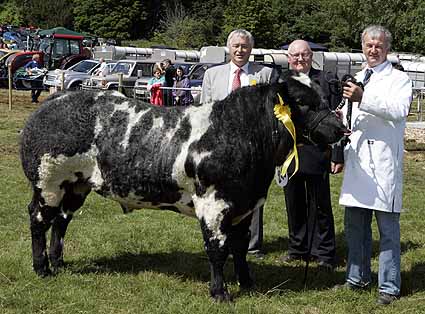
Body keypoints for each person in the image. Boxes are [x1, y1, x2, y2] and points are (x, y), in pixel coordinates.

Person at [336, 25, 412, 305]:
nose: (373, 49)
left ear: (387, 48)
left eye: (379, 45)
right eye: (369, 45)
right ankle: (357, 278)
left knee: (388, 232)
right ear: (363, 47)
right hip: (358, 166)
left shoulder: (399, 79)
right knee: (355, 227)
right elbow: (348, 116)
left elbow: (398, 110)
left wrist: (362, 98)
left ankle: (389, 287)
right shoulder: (356, 77)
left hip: (382, 166)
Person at [200, 29, 277, 258]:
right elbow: (204, 110)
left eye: (244, 46)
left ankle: (251, 246)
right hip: (219, 147)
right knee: (218, 197)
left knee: (252, 195)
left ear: (251, 49)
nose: (240, 50)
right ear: (228, 48)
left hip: (253, 149)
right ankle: (219, 241)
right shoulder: (212, 75)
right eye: (236, 46)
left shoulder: (265, 74)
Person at [279, 40, 343, 270]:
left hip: (318, 151)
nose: (299, 59)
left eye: (304, 55)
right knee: (293, 203)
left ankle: (324, 252)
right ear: (288, 58)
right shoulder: (280, 82)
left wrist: (337, 154)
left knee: (320, 205)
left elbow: (338, 121)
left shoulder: (326, 81)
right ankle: (298, 248)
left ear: (311, 56)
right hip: (289, 154)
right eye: (295, 55)